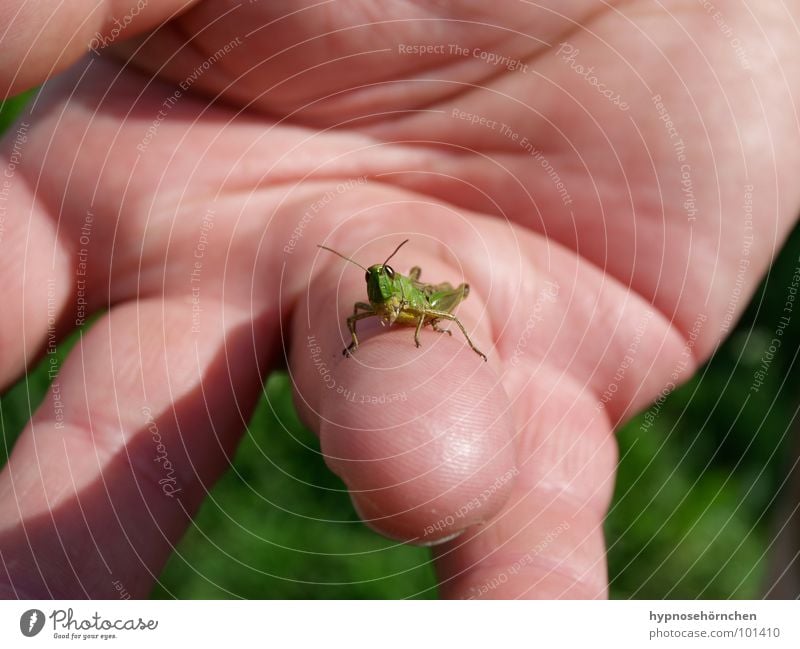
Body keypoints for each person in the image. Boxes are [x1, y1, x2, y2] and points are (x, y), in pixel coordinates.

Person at [0, 1, 798, 599]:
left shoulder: (414, 300)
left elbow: (434, 310)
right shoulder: (375, 293)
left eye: (384, 283)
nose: (382, 289)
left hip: (445, 301)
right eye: (380, 283)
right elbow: (363, 312)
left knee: (433, 351)